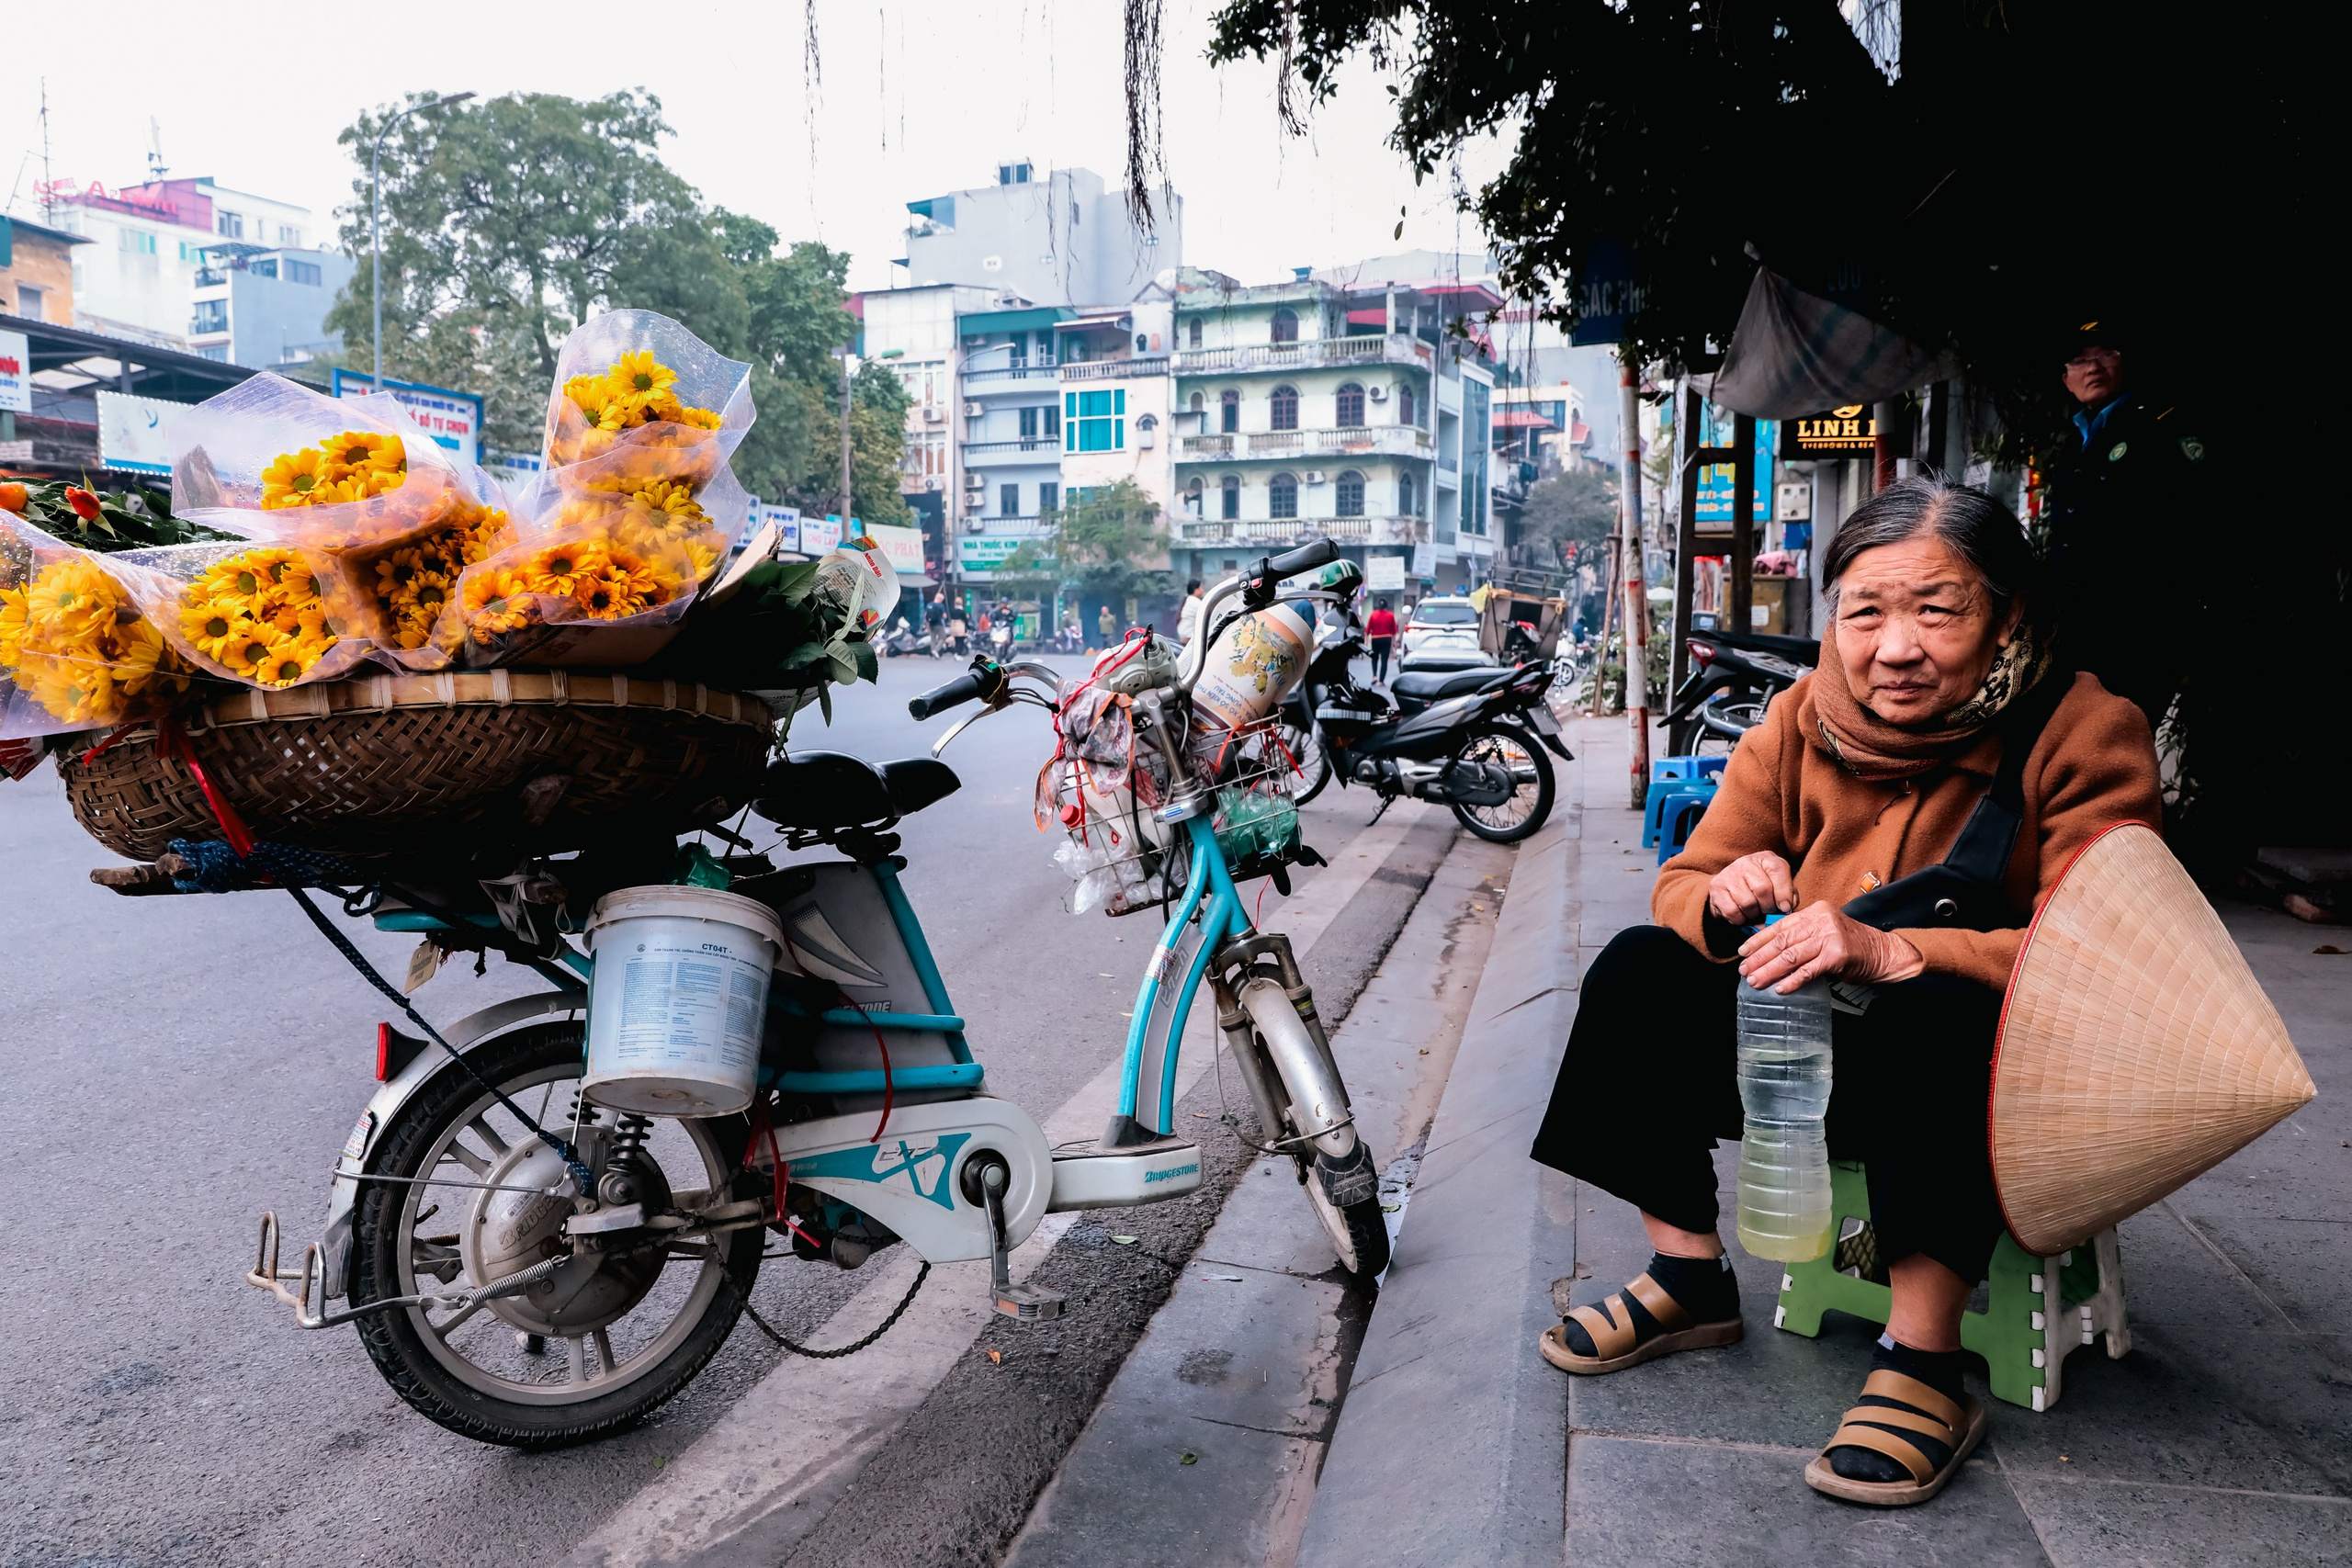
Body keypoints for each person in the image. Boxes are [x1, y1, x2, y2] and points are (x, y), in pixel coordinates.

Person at [1529, 475, 2158, 1506]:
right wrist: (1724, 895)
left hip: (1981, 1082)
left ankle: (1922, 1357)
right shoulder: (1800, 716)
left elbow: (2107, 950)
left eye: (1937, 611)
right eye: (1865, 612)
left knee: (1940, 1009)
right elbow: (1686, 878)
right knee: (1638, 969)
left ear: (2007, 618)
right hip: (1808, 1059)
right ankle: (1689, 1273)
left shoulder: (2083, 732)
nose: (1894, 647)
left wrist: (1898, 953)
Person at [2037, 321, 2210, 730]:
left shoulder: (2158, 427)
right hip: (2078, 629)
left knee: (2122, 739)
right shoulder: (2075, 442)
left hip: (2141, 629)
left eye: (2105, 355)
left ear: (2124, 363)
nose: (2093, 367)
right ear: (2066, 380)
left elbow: (2192, 528)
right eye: (2080, 361)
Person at [1363, 596, 1398, 682]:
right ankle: (1381, 681)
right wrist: (1394, 642)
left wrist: (1366, 641)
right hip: (1386, 639)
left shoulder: (1373, 614)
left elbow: (1367, 630)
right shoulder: (1390, 615)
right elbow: (1394, 631)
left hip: (1375, 639)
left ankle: (1374, 676)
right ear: (1386, 606)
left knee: (1374, 658)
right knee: (1384, 661)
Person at [1177, 578, 1207, 644]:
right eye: (1201, 588)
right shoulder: (1195, 602)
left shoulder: (1189, 600)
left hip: (1184, 636)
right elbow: (1207, 615)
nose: (1203, 590)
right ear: (1196, 590)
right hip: (1189, 638)